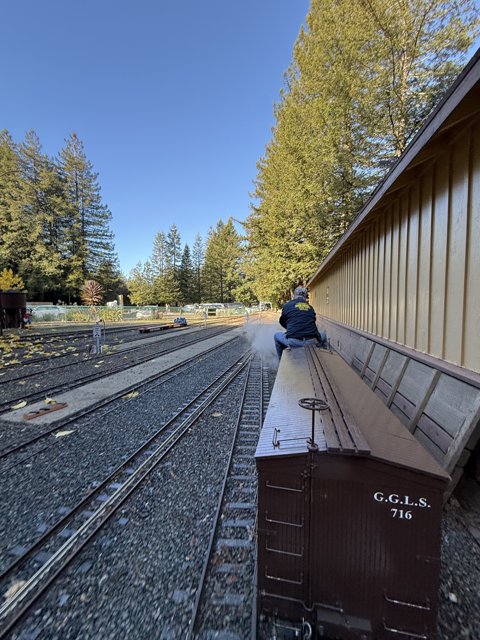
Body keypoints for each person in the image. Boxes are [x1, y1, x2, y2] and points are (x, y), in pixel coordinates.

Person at [274, 287, 327, 359]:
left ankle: (281, 361)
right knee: (323, 334)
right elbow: (312, 322)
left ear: (294, 296)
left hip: (294, 342)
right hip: (311, 342)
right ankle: (324, 358)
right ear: (305, 297)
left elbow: (282, 322)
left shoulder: (287, 306)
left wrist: (291, 329)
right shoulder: (310, 308)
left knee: (277, 335)